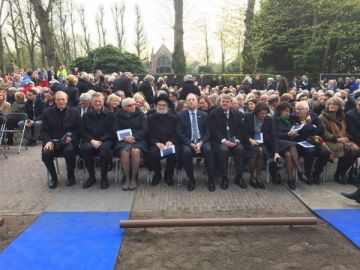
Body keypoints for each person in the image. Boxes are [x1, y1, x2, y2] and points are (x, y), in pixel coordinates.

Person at [40, 91, 82, 189]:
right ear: (55, 100)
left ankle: (71, 176)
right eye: (58, 99)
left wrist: (71, 138)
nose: (61, 101)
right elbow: (43, 130)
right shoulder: (47, 112)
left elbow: (79, 130)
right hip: (53, 141)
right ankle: (54, 178)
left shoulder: (74, 112)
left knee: (69, 151)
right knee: (46, 153)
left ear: (67, 100)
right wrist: (48, 141)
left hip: (68, 142)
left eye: (63, 99)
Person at [176, 93, 215, 191]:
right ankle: (191, 179)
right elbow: (179, 133)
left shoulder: (204, 115)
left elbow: (208, 133)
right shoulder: (180, 115)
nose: (191, 101)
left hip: (202, 141)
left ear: (197, 102)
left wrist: (201, 142)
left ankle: (211, 178)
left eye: (193, 99)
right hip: (188, 142)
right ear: (186, 102)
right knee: (186, 152)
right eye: (189, 100)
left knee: (209, 150)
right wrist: (190, 143)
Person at [319, 97, 360, 184]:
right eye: (331, 104)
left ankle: (342, 172)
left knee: (355, 150)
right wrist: (337, 139)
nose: (332, 106)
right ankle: (338, 175)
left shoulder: (342, 116)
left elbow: (346, 130)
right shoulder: (322, 116)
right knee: (343, 148)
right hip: (328, 141)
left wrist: (347, 138)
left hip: (342, 138)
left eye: (335, 104)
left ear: (339, 106)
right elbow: (324, 133)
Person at [209, 94, 246, 190]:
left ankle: (239, 176)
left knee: (240, 149)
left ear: (231, 104)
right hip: (220, 141)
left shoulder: (238, 114)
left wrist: (237, 140)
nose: (225, 103)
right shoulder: (213, 114)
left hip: (234, 140)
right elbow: (214, 131)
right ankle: (224, 177)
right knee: (223, 151)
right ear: (220, 102)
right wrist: (224, 141)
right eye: (223, 101)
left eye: (227, 101)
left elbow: (241, 130)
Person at [81, 92, 115, 190]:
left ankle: (104, 178)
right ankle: (91, 177)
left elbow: (112, 131)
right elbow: (83, 131)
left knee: (105, 150)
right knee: (86, 149)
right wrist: (92, 140)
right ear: (91, 102)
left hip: (106, 140)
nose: (97, 103)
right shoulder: (86, 115)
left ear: (103, 102)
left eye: (99, 101)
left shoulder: (110, 115)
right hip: (90, 140)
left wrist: (100, 141)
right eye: (95, 101)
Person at [243, 102, 281, 189]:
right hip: (248, 142)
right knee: (256, 152)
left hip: (262, 143)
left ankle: (258, 178)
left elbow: (272, 135)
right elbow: (243, 131)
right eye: (262, 113)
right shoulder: (248, 116)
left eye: (266, 113)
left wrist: (276, 152)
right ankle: (252, 177)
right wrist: (250, 139)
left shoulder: (268, 119)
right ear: (257, 112)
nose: (264, 115)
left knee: (260, 151)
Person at [272, 102, 308, 190]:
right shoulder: (274, 119)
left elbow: (299, 120)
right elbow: (274, 134)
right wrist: (287, 134)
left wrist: (294, 134)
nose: (288, 113)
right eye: (286, 111)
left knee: (288, 155)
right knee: (292, 145)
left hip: (287, 143)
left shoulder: (290, 119)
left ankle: (290, 179)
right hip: (278, 143)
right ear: (280, 111)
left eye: (289, 111)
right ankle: (300, 171)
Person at [114, 98, 148, 191]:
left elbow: (145, 129)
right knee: (125, 152)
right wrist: (126, 138)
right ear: (124, 107)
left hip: (138, 139)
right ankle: (127, 178)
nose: (133, 106)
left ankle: (133, 178)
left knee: (135, 151)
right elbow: (115, 129)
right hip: (123, 140)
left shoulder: (141, 114)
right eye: (130, 105)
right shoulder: (118, 115)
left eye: (133, 104)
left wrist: (134, 137)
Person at [292, 101, 330, 184]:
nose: (297, 111)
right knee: (311, 151)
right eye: (296, 109)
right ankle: (307, 175)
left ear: (306, 110)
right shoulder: (292, 117)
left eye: (300, 109)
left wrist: (307, 129)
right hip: (299, 141)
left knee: (325, 152)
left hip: (313, 139)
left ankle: (316, 174)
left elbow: (321, 129)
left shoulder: (313, 116)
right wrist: (311, 128)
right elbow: (298, 132)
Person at [147, 95, 178, 186]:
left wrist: (170, 141)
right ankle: (157, 175)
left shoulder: (174, 118)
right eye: (159, 105)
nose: (161, 106)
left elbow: (176, 132)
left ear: (167, 107)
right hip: (155, 143)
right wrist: (157, 143)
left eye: (164, 105)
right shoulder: (150, 118)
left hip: (169, 143)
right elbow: (149, 133)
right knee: (152, 153)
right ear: (156, 106)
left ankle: (168, 176)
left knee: (173, 153)